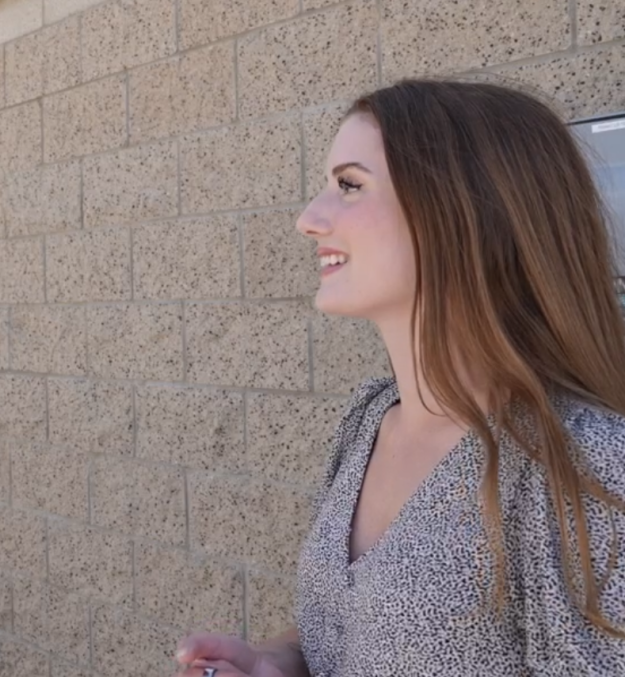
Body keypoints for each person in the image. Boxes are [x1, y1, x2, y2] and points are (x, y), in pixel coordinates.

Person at [176, 79, 625, 675]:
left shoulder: (581, 463)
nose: (309, 220)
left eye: (350, 186)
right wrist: (277, 660)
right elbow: (348, 630)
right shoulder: (371, 416)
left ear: (462, 212)